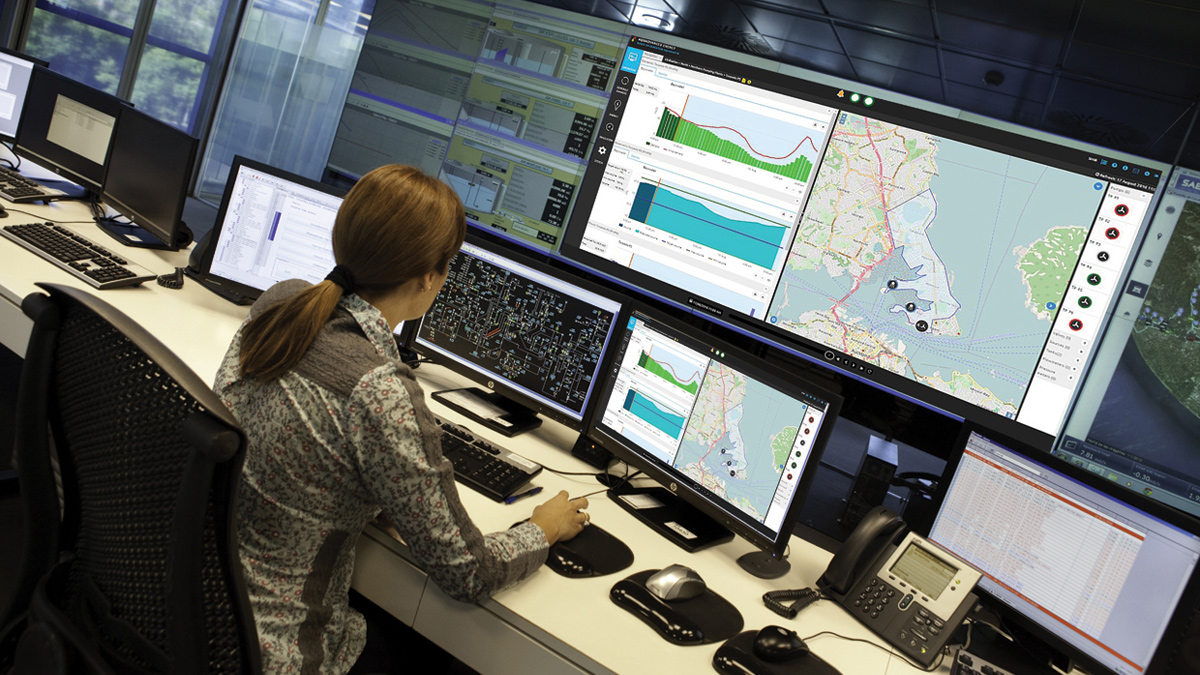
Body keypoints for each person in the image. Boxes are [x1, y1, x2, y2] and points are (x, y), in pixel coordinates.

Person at [213, 164, 590, 674]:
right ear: (429, 277)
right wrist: (541, 530)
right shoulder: (381, 389)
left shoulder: (278, 304)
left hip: (197, 608)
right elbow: (469, 574)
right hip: (279, 653)